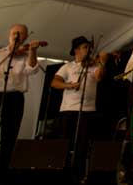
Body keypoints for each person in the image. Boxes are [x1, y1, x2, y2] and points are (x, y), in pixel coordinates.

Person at [51, 35, 108, 182]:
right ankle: (62, 174)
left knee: (82, 145)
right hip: (68, 109)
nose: (88, 50)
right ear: (76, 50)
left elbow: (99, 77)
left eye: (89, 47)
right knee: (64, 144)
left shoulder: (93, 66)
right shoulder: (68, 66)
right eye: (85, 47)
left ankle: (78, 175)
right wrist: (69, 85)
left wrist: (102, 62)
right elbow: (55, 82)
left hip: (87, 111)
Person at [0, 24, 42, 176]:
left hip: (14, 98)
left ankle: (3, 170)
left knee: (9, 135)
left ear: (25, 37)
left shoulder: (26, 55)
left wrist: (33, 51)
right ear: (9, 35)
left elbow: (32, 69)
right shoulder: (0, 53)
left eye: (21, 34)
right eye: (14, 33)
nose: (17, 35)